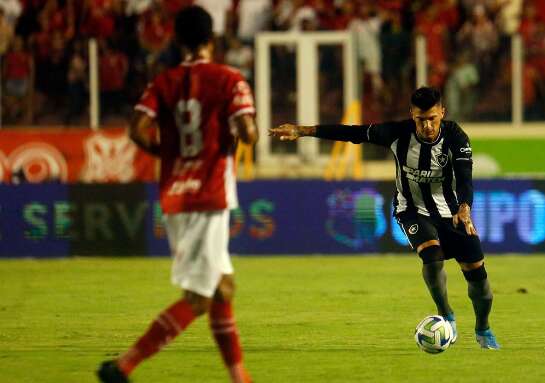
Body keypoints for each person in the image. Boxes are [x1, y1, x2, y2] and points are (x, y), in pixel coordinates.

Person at [269, 87, 500, 349]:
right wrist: (304, 130)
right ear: (412, 114)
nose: (426, 126)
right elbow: (353, 133)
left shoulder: (456, 136)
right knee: (432, 257)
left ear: (442, 113)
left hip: (453, 213)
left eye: (432, 119)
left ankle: (483, 327)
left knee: (479, 281)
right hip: (411, 209)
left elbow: (465, 175)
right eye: (421, 119)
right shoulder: (397, 133)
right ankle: (446, 315)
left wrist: (465, 207)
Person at [97, 6, 258, 383]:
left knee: (222, 287)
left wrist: (164, 153)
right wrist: (240, 132)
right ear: (211, 40)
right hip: (210, 195)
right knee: (199, 297)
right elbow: (248, 132)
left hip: (174, 193)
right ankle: (124, 366)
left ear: (177, 41)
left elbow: (137, 130)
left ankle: (240, 377)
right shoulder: (230, 79)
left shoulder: (163, 82)